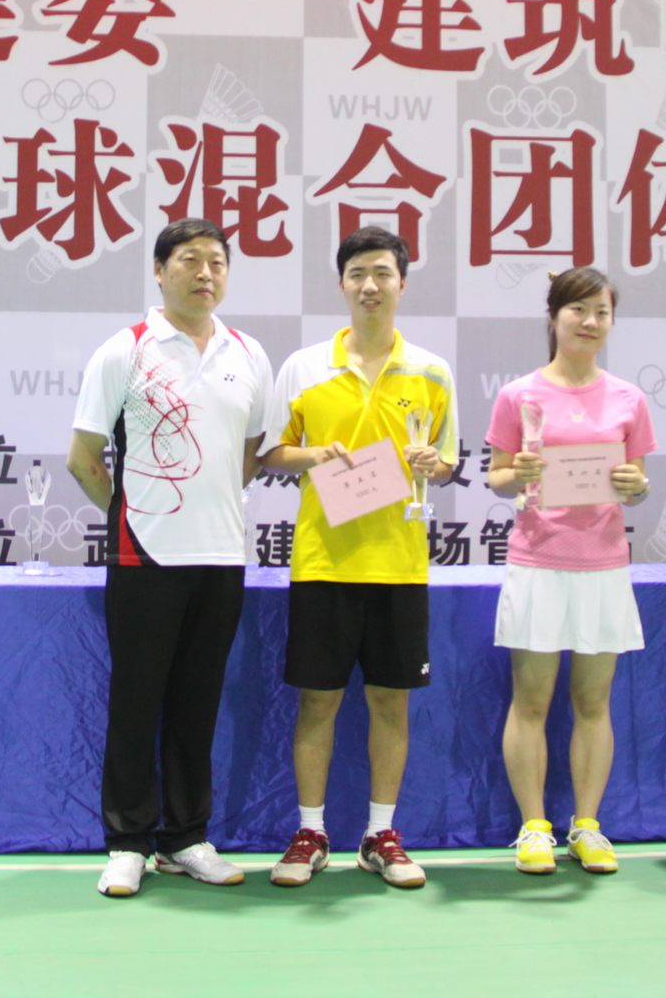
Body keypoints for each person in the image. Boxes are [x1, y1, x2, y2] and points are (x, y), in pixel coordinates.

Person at [67, 219, 274, 898]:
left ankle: (186, 838)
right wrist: (136, 517)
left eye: (217, 261)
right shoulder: (124, 350)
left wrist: (204, 508)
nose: (205, 272)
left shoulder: (249, 354)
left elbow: (248, 454)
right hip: (144, 558)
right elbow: (83, 458)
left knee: (197, 703)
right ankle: (127, 842)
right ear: (160, 272)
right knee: (136, 701)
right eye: (189, 260)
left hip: (222, 558)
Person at [259, 226, 457, 889]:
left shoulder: (432, 371)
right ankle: (311, 831)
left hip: (399, 563)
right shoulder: (304, 366)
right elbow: (271, 452)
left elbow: (447, 459)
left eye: (382, 274)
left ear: (402, 283)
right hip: (324, 561)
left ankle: (380, 834)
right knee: (317, 704)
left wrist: (433, 463)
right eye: (357, 275)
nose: (370, 286)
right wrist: (314, 455)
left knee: (390, 704)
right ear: (341, 284)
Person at [484, 267, 656, 875]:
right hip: (538, 561)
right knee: (531, 701)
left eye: (602, 312)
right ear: (554, 317)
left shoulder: (628, 399)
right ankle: (534, 827)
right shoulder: (519, 395)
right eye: (578, 310)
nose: (590, 322)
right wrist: (519, 474)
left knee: (593, 701)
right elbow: (497, 476)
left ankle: (587, 825)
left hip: (603, 564)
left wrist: (636, 485)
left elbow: (636, 484)